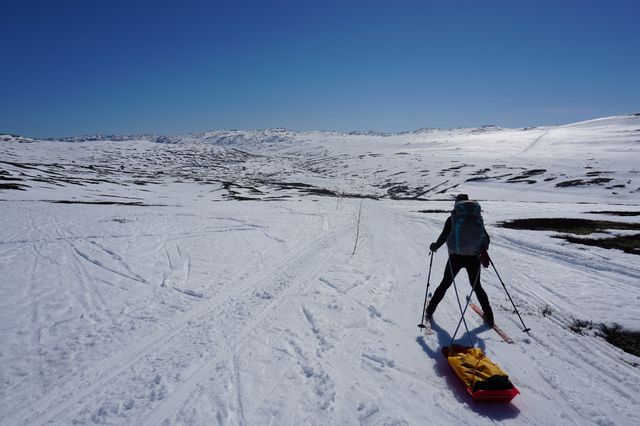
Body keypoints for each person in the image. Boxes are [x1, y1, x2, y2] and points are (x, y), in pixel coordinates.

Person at [425, 194, 494, 326]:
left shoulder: (453, 219)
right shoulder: (476, 218)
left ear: (457, 204)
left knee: (445, 284)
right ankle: (489, 315)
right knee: (477, 287)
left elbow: (444, 236)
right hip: (474, 257)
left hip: (455, 257)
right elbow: (486, 239)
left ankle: (430, 310)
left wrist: (434, 247)